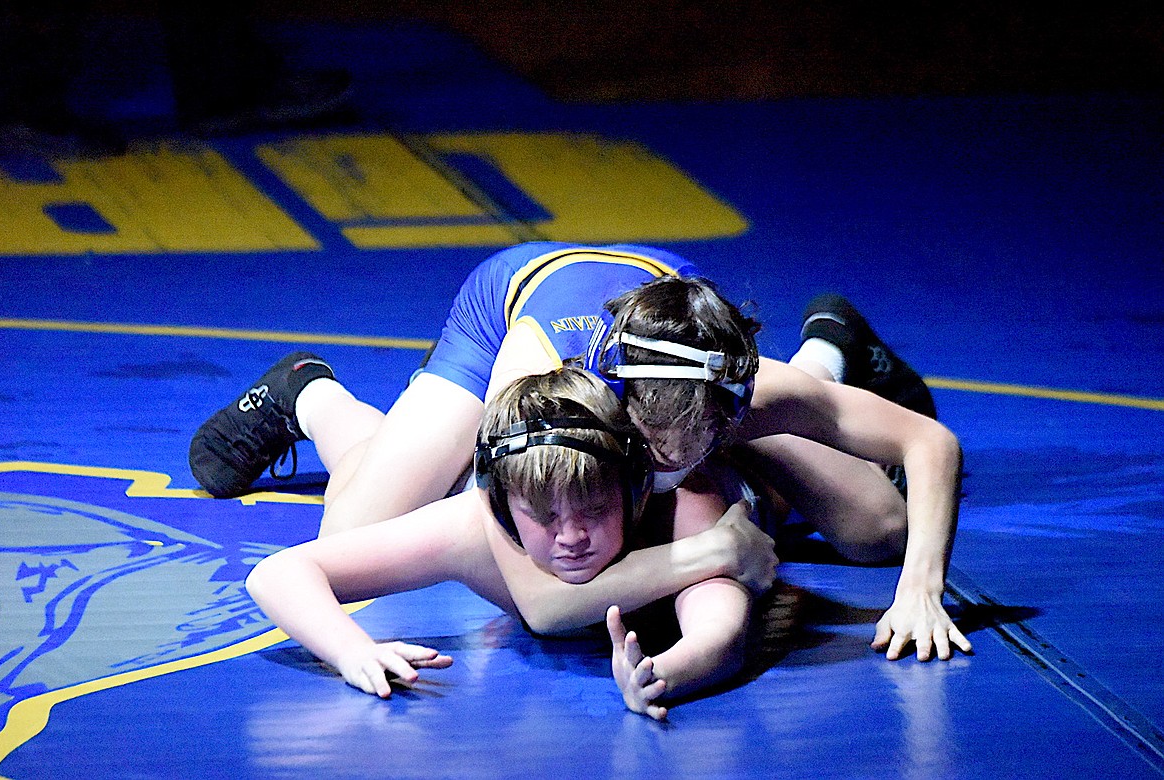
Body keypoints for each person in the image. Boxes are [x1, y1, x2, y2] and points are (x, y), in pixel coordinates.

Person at [192, 241, 970, 662]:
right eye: (651, 450)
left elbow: (928, 442)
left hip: (672, 325)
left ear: (726, 414)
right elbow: (540, 600)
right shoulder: (547, 392)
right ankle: (313, 396)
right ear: (623, 418)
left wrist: (921, 591)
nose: (671, 466)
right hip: (514, 309)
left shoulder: (733, 389)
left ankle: (829, 347)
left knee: (881, 531)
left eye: (693, 446)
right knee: (351, 531)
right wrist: (715, 552)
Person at [245, 366, 770, 720]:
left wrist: (661, 677)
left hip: (743, 461)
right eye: (544, 518)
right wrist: (351, 650)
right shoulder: (476, 525)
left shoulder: (684, 512)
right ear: (500, 507)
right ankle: (312, 393)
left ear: (635, 490)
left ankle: (825, 355)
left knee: (783, 445)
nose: (572, 538)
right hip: (505, 322)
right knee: (358, 497)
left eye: (594, 509)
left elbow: (722, 630)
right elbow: (277, 574)